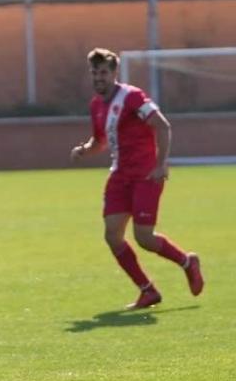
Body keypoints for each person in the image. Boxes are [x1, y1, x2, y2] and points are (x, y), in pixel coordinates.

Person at [70, 48, 204, 309]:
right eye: (94, 72)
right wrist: (85, 150)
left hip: (145, 174)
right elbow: (100, 141)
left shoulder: (132, 97)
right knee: (112, 236)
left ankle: (187, 262)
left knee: (143, 237)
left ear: (114, 73)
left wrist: (161, 163)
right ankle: (148, 290)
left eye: (103, 73)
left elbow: (162, 126)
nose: (98, 78)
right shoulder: (96, 105)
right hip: (119, 175)